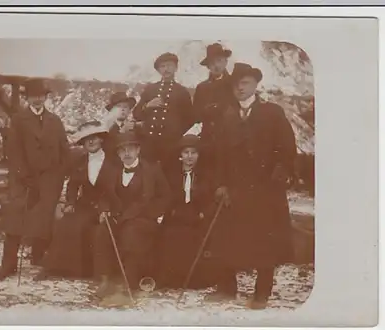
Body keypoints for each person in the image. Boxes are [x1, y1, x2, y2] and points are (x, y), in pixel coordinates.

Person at [207, 63, 297, 309]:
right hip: (234, 189)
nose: (239, 88)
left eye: (244, 83)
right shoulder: (226, 115)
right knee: (227, 236)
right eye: (236, 84)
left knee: (264, 241)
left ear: (255, 85)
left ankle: (261, 293)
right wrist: (221, 184)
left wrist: (281, 172)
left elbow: (287, 147)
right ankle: (227, 288)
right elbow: (219, 155)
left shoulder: (272, 112)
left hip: (265, 189)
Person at [0, 78, 70, 281]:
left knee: (44, 219)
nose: (37, 100)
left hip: (50, 179)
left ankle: (40, 259)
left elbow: (64, 149)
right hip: (24, 178)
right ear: (27, 98)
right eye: (33, 96)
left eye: (41, 96)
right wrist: (24, 175)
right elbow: (13, 151)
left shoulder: (55, 120)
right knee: (16, 218)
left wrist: (60, 173)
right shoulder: (19, 119)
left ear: (45, 97)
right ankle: (8, 265)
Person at [92, 132, 171, 306]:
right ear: (118, 153)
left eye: (131, 149)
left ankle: (127, 283)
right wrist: (104, 209)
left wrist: (151, 213)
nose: (127, 153)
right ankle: (105, 280)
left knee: (132, 235)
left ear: (138, 150)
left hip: (142, 218)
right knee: (102, 232)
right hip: (117, 217)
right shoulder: (112, 171)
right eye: (122, 150)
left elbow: (165, 197)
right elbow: (103, 195)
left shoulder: (152, 170)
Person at [34, 120, 116, 281]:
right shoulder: (80, 161)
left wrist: (106, 208)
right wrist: (70, 202)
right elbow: (73, 185)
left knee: (93, 227)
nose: (91, 142)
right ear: (83, 144)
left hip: (108, 205)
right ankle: (53, 267)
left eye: (94, 137)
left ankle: (93, 272)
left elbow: (116, 189)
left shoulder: (113, 161)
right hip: (85, 204)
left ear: (101, 139)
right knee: (67, 222)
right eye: (86, 139)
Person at [155, 134, 220, 289]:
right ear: (180, 155)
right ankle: (172, 280)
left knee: (196, 237)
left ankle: (194, 281)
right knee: (171, 235)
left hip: (199, 216)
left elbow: (212, 200)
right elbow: (165, 197)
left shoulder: (206, 175)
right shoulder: (171, 174)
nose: (189, 157)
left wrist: (204, 213)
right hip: (176, 215)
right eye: (186, 153)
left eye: (193, 153)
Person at [132, 52, 194, 168]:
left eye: (170, 65)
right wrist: (148, 105)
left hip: (171, 144)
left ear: (176, 68)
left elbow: (190, 119)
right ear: (159, 70)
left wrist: (176, 132)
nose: (166, 69)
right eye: (163, 66)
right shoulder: (150, 89)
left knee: (169, 175)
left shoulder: (182, 91)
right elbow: (136, 114)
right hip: (149, 143)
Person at [192, 43, 234, 173]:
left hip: (231, 140)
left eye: (219, 61)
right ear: (208, 66)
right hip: (208, 140)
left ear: (226, 61)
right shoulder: (202, 88)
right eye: (212, 63)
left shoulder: (235, 84)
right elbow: (195, 115)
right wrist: (206, 111)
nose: (216, 66)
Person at [102, 91, 138, 163]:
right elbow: (107, 150)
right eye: (118, 106)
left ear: (129, 110)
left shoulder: (134, 126)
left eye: (125, 107)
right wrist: (122, 132)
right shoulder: (105, 128)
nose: (122, 109)